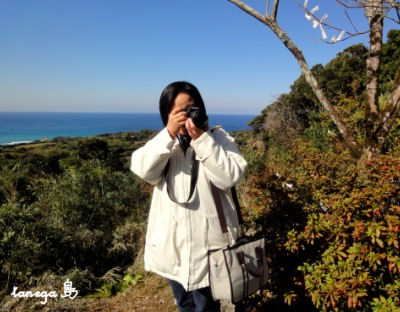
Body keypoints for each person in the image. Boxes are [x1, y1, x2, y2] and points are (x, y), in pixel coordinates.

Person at [130, 81, 247, 312]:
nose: (187, 116)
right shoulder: (164, 144)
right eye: (179, 112)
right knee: (184, 305)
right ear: (167, 115)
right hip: (172, 246)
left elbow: (229, 177)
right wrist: (169, 134)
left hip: (210, 247)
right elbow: (144, 170)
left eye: (191, 108)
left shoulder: (218, 138)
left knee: (206, 306)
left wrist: (202, 140)